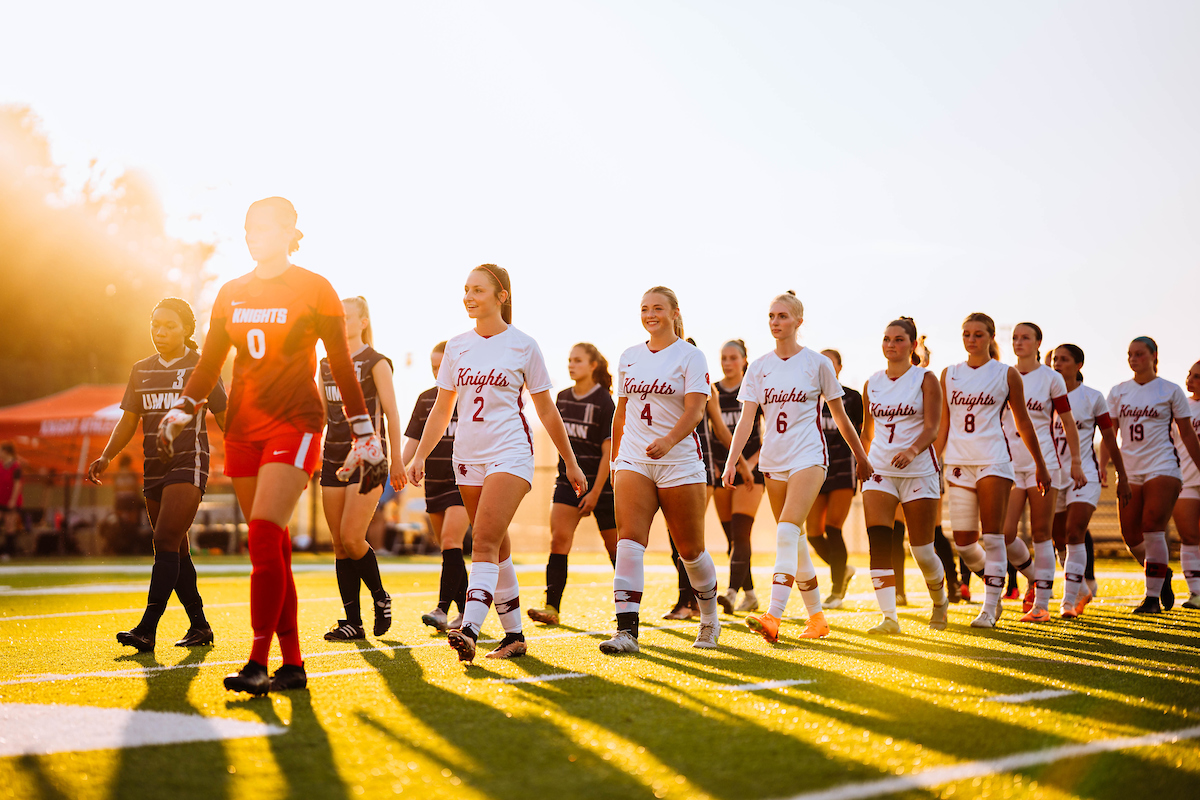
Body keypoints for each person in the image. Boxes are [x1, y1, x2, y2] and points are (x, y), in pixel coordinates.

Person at [158, 197, 388, 694]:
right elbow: (210, 362)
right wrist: (183, 406)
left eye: (261, 226)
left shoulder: (314, 288)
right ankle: (294, 665)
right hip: (243, 429)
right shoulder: (231, 292)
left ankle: (258, 661)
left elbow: (343, 365)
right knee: (274, 547)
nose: (250, 234)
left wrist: (365, 432)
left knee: (263, 532)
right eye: (246, 227)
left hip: (297, 423)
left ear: (289, 229)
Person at [406, 264, 586, 662]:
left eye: (478, 290)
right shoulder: (457, 346)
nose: (469, 297)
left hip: (511, 453)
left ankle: (468, 628)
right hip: (466, 457)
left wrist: (570, 462)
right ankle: (515, 636)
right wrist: (419, 455)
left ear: (501, 296)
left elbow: (547, 410)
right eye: (465, 290)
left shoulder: (524, 344)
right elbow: (441, 410)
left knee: (483, 541)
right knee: (498, 547)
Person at [723, 291, 872, 644]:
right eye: (772, 316)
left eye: (783, 316)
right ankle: (817, 619)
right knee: (798, 541)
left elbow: (840, 415)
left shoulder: (817, 363)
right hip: (774, 462)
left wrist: (861, 457)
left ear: (798, 321)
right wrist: (732, 461)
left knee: (786, 532)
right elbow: (746, 423)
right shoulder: (758, 366)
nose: (776, 322)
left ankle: (773, 615)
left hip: (809, 458)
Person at [88, 298, 227, 650]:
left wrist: (247, 455)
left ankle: (147, 629)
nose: (160, 332)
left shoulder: (202, 366)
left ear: (186, 330)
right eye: (155, 325)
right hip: (154, 468)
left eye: (168, 326)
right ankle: (200, 626)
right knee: (176, 549)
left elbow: (226, 416)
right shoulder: (141, 369)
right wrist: (106, 456)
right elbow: (129, 419)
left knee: (164, 540)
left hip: (189, 461)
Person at [600, 287, 723, 654]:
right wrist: (615, 460)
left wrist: (669, 440)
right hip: (634, 461)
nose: (650, 314)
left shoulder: (691, 356)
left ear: (674, 313)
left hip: (680, 462)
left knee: (691, 551)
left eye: (657, 308)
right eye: (644, 309)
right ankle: (627, 631)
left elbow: (695, 411)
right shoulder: (630, 356)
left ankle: (709, 621)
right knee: (629, 541)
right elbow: (621, 413)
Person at [936, 312, 1049, 629]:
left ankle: (989, 606)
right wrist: (932, 459)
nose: (972, 340)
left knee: (994, 535)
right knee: (964, 543)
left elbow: (1023, 422)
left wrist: (1040, 464)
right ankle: (1027, 578)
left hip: (994, 461)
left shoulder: (1006, 373)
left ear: (990, 337)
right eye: (967, 334)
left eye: (978, 334)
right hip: (958, 462)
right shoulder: (950, 374)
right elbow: (944, 425)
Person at [319, 296, 405, 641]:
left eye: (347, 317)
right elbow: (324, 413)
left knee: (354, 538)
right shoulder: (325, 363)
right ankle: (352, 621)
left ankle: (380, 597)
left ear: (363, 321)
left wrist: (396, 458)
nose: (340, 323)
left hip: (369, 457)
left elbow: (392, 414)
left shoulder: (376, 362)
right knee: (339, 543)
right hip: (332, 456)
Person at [860, 317, 948, 633]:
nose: (891, 345)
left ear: (912, 345)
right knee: (879, 543)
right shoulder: (872, 382)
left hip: (919, 471)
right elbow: (868, 432)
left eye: (898, 339)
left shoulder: (925, 378)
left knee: (922, 551)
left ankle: (939, 603)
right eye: (886, 339)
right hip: (879, 470)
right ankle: (889, 618)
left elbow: (932, 427)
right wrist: (861, 459)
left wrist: (911, 451)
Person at [1104, 338, 1200, 613]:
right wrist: (1104, 467)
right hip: (1130, 468)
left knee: (1152, 525)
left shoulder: (1169, 390)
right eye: (1130, 354)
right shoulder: (1119, 391)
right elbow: (1109, 434)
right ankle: (1162, 573)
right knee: (1131, 534)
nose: (1133, 359)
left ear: (1153, 355)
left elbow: (1187, 434)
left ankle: (1151, 598)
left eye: (1140, 354)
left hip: (1163, 466)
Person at [999, 323, 1086, 623]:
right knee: (1005, 533)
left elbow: (1067, 422)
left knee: (1041, 534)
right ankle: (1035, 579)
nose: (1019, 342)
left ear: (1038, 342)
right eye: (1015, 338)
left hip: (1044, 463)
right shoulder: (1002, 373)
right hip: (1008, 464)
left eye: (1025, 338)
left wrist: (1075, 461)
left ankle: (1042, 606)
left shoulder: (1051, 378)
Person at [528, 343, 617, 625]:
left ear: (593, 365)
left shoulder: (605, 401)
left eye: (578, 360)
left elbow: (609, 452)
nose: (571, 365)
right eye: (569, 360)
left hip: (603, 486)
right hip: (568, 481)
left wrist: (596, 492)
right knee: (559, 541)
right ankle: (551, 608)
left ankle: (627, 608)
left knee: (616, 548)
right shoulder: (563, 397)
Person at [1049, 344, 1130, 618]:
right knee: (1058, 538)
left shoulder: (1092, 397)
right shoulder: (1042, 396)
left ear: (1078, 365)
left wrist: (1121, 475)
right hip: (1052, 476)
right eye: (1054, 359)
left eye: (1064, 359)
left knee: (1074, 533)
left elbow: (1109, 437)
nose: (1057, 364)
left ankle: (1068, 602)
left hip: (1085, 476)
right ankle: (1082, 588)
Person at [403, 342, 470, 633]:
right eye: (433, 366)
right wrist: (397, 471)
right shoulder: (426, 399)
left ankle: (442, 610)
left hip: (463, 480)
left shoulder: (472, 397)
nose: (437, 371)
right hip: (435, 481)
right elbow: (414, 442)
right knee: (448, 549)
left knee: (450, 541)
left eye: (441, 365)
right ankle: (467, 612)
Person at [806, 349, 863, 609]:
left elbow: (861, 435)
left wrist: (862, 463)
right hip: (815, 469)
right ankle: (844, 569)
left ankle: (836, 591)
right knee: (813, 533)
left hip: (842, 469)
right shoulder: (807, 397)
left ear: (839, 367)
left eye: (831, 363)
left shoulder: (851, 397)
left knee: (833, 528)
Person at [710, 339, 764, 614]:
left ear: (745, 360)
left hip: (752, 473)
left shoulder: (754, 388)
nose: (728, 363)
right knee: (732, 540)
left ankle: (731, 592)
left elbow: (772, 432)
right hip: (722, 472)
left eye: (733, 358)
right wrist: (720, 466)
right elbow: (711, 433)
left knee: (742, 535)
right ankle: (751, 594)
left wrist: (749, 465)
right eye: (724, 357)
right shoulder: (714, 391)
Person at [1174, 360, 1200, 609]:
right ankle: (1196, 592)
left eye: (1198, 376)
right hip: (1187, 479)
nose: (1190, 380)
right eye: (1190, 374)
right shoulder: (1181, 406)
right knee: (1190, 536)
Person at [0, 442, 21, 556]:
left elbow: (17, 484)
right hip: (1, 499)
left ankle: (9, 551)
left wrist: (13, 499)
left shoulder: (15, 466)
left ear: (6, 452)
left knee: (9, 525)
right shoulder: (1, 465)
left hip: (11, 500)